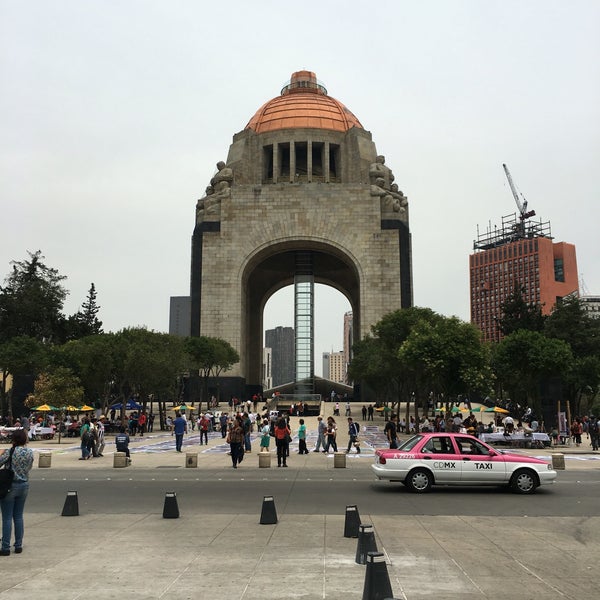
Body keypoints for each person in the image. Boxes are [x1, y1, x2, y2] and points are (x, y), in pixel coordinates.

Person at [0, 429, 33, 556]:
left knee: (7, 518)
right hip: (24, 485)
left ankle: (5, 547)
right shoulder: (29, 452)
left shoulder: (10, 452)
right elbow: (29, 467)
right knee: (18, 516)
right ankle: (18, 545)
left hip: (10, 486)